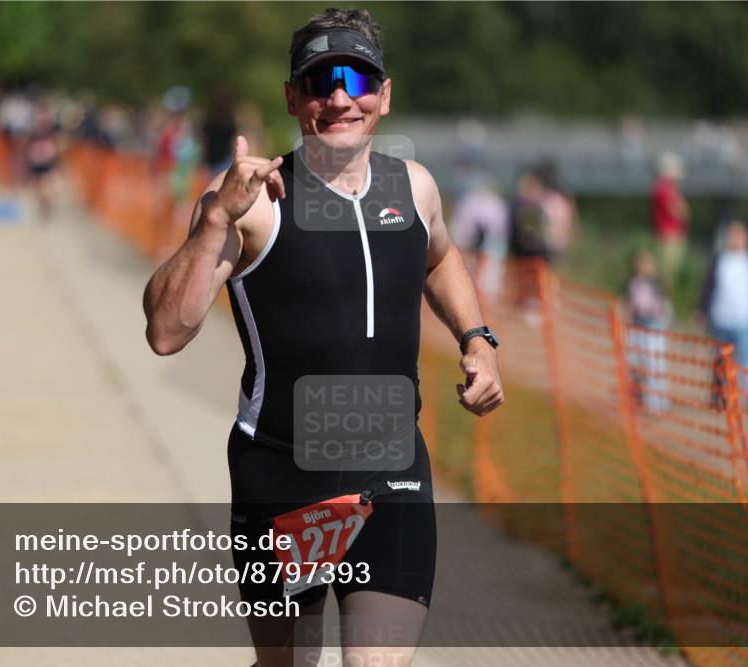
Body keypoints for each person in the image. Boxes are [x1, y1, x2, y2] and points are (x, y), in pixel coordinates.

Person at [142, 8, 503, 666]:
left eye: (357, 78)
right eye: (319, 80)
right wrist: (214, 220)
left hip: (391, 472)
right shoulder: (252, 204)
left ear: (384, 95)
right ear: (292, 97)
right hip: (282, 477)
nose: (339, 97)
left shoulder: (414, 189)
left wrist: (476, 338)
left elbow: (442, 257)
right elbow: (166, 331)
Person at [697, 220, 748, 413]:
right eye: (732, 234)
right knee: (719, 361)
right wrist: (701, 311)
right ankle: (719, 396)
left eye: (739, 234)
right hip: (721, 319)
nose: (734, 238)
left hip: (745, 320)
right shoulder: (719, 260)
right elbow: (708, 288)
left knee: (747, 361)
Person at [623, 248, 672, 413]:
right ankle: (635, 398)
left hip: (653, 328)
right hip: (637, 327)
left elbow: (664, 307)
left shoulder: (657, 283)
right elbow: (628, 306)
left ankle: (657, 403)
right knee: (634, 365)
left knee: (654, 366)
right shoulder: (631, 283)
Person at [650, 151, 690, 293]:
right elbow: (679, 211)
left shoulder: (665, 188)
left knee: (668, 274)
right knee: (666, 274)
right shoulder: (663, 189)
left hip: (670, 235)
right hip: (668, 236)